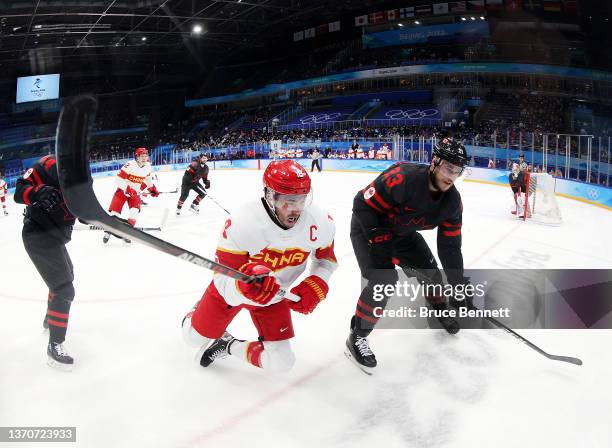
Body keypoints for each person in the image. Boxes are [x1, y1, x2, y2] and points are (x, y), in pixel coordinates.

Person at [181, 160, 337, 372]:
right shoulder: (242, 223)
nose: (295, 209)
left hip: (274, 296)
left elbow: (325, 259)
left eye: (301, 200)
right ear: (269, 195)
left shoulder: (320, 221)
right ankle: (197, 310)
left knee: (282, 364)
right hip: (233, 291)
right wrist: (243, 288)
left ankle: (227, 345)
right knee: (192, 338)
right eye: (287, 201)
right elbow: (224, 282)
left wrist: (319, 280)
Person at [345, 137, 471, 374]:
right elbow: (361, 204)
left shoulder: (453, 203)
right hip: (368, 229)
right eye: (448, 168)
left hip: (403, 235)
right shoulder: (403, 177)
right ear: (435, 161)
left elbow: (450, 247)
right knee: (383, 282)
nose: (451, 176)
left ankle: (437, 307)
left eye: (457, 171)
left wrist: (457, 284)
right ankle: (357, 336)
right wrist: (378, 238)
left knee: (431, 273)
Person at [14, 155, 77, 370]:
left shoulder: (80, 172)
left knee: (67, 276)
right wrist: (36, 192)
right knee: (64, 288)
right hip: (38, 235)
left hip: (56, 236)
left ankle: (50, 318)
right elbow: (19, 191)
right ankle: (55, 345)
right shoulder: (48, 164)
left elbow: (83, 208)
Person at [103, 147, 158, 243]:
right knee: (114, 212)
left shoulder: (148, 166)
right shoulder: (129, 165)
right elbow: (118, 179)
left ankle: (126, 233)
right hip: (123, 190)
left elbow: (148, 178)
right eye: (142, 156)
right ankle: (108, 232)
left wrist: (152, 188)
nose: (145, 158)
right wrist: (128, 189)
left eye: (146, 156)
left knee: (134, 212)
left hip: (135, 193)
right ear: (137, 157)